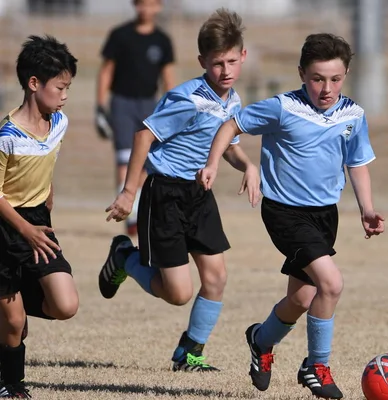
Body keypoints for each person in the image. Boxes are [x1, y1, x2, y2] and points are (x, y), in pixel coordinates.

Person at [199, 33, 385, 399]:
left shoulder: (353, 115)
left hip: (324, 216)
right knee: (330, 284)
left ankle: (261, 340)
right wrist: (213, 163)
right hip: (285, 213)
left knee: (302, 299)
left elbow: (357, 163)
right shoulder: (282, 108)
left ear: (346, 74)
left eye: (335, 79)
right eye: (317, 79)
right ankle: (316, 366)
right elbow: (231, 125)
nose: (326, 88)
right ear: (302, 74)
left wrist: (367, 208)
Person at [98, 8, 260, 372]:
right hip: (165, 194)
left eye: (232, 61)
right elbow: (144, 135)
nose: (226, 70)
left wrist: (248, 165)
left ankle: (189, 354)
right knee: (177, 293)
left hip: (199, 194)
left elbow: (225, 143)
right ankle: (125, 256)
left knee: (217, 277)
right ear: (203, 61)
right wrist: (129, 192)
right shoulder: (187, 98)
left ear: (243, 56)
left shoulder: (232, 99)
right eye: (217, 63)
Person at [0, 35, 79, 398]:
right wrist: (25, 230)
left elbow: (47, 164)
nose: (64, 95)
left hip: (37, 222)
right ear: (34, 84)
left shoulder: (59, 122)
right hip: (6, 225)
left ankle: (10, 307)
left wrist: (47, 199)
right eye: (60, 87)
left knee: (66, 304)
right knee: (15, 324)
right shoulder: (6, 135)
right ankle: (11, 385)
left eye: (68, 87)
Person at [96, 0, 176, 236]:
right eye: (141, 4)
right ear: (135, 5)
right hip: (121, 103)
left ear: (159, 6)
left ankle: (137, 206)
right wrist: (100, 106)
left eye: (151, 4)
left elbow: (168, 78)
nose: (146, 9)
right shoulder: (120, 35)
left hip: (150, 105)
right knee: (124, 158)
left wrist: (173, 110)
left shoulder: (162, 40)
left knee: (146, 162)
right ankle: (128, 217)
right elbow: (106, 71)